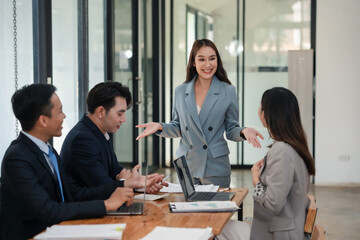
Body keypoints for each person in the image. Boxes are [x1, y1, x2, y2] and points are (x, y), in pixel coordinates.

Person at [0, 84, 134, 239]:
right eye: (60, 111)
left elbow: (73, 194)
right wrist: (106, 205)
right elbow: (48, 210)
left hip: (60, 229)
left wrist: (120, 189)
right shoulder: (17, 158)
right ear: (43, 120)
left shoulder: (49, 152)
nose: (64, 116)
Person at [136, 39, 263, 187]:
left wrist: (243, 131)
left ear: (217, 60)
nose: (208, 64)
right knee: (186, 209)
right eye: (201, 59)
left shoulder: (228, 91)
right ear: (194, 62)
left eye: (212, 59)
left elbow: (231, 129)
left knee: (216, 209)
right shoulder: (180, 91)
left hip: (215, 165)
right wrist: (160, 126)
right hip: (186, 164)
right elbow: (177, 127)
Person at [218, 87, 316, 240]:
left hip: (277, 234)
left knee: (218, 227)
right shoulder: (294, 146)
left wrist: (256, 180)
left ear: (267, 114)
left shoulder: (282, 151)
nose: (259, 110)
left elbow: (273, 204)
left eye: (260, 105)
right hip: (286, 229)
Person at [61, 81, 166, 192]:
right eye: (119, 114)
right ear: (101, 111)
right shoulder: (82, 139)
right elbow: (103, 186)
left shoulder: (101, 132)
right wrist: (130, 183)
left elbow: (116, 171)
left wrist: (140, 182)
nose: (124, 119)